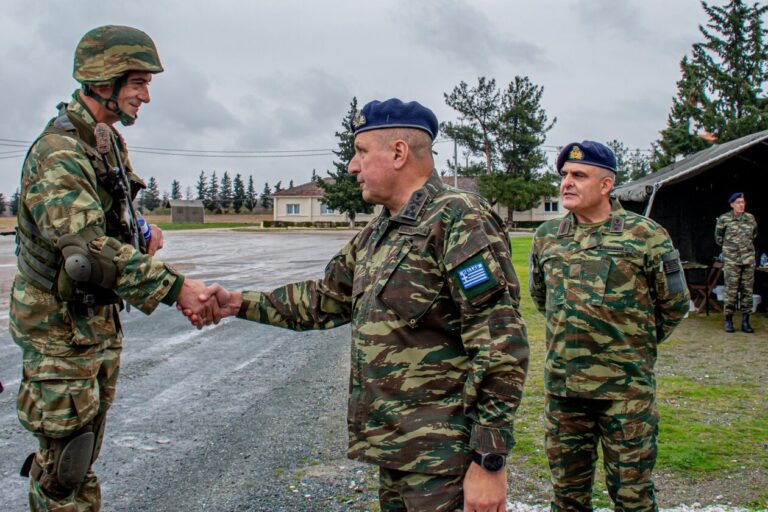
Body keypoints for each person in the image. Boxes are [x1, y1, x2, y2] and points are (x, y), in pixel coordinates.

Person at [188, 98, 530, 512]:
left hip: (446, 460)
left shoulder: (459, 219)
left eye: (362, 152)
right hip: (397, 452)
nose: (352, 166)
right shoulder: (380, 230)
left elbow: (500, 346)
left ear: (399, 153)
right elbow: (323, 300)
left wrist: (487, 461)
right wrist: (237, 303)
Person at [11, 25, 217, 512]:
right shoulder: (58, 153)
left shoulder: (102, 142)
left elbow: (112, 219)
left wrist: (142, 233)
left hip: (92, 323)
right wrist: (177, 289)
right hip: (59, 327)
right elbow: (85, 256)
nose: (146, 96)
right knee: (64, 468)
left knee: (82, 453)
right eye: (139, 82)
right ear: (104, 80)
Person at [529, 141, 690, 511]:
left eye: (579, 175)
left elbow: (675, 304)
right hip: (565, 393)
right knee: (568, 498)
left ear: (606, 185)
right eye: (565, 175)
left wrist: (633, 345)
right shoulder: (548, 237)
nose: (566, 183)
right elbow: (543, 300)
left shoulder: (646, 235)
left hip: (625, 393)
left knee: (632, 498)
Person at [715, 192, 758, 333]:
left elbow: (754, 235)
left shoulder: (750, 218)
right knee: (731, 291)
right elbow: (718, 238)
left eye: (743, 202)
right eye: (738, 202)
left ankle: (746, 321)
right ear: (732, 204)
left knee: (747, 291)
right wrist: (731, 250)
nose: (741, 204)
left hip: (748, 260)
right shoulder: (724, 219)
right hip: (732, 260)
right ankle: (728, 320)